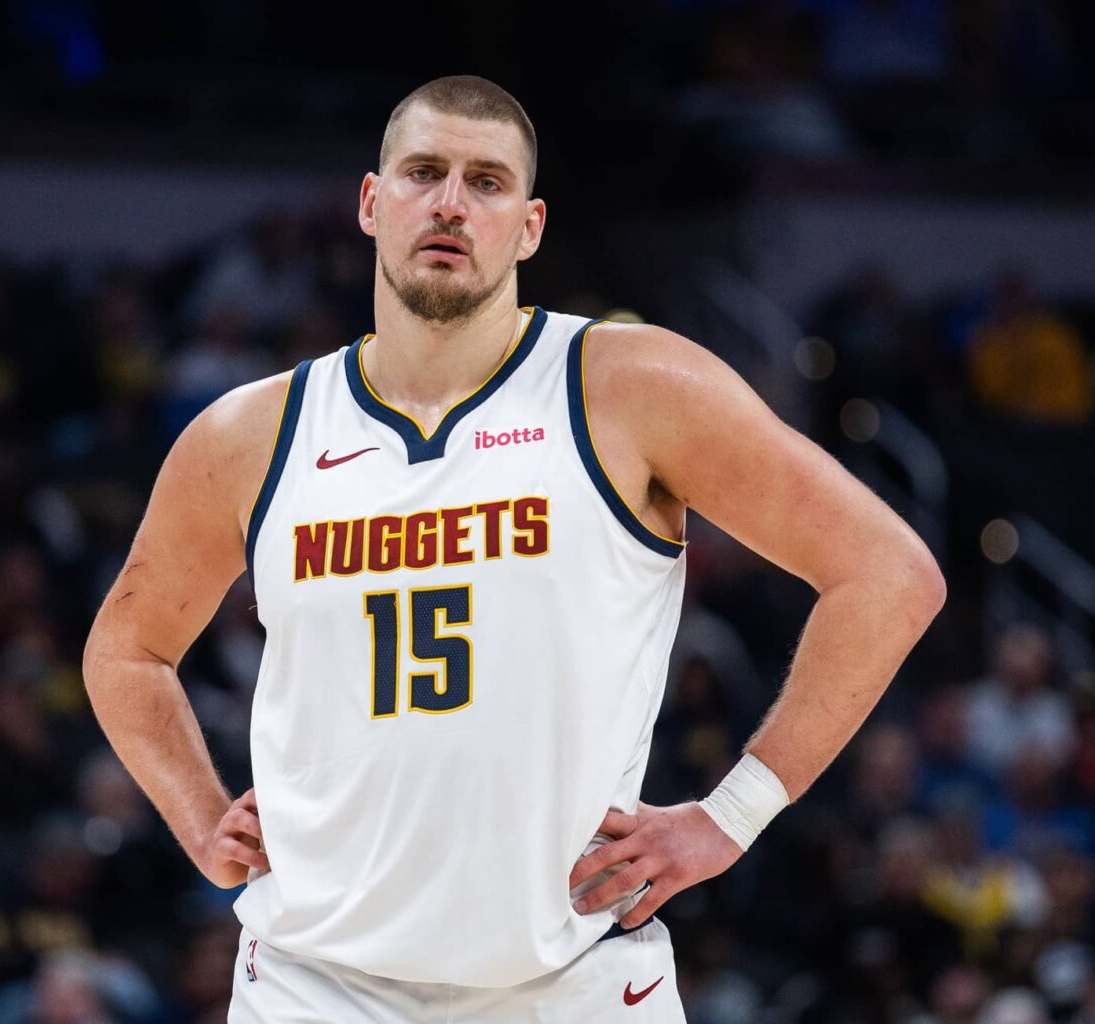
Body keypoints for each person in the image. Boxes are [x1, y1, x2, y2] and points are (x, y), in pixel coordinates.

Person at [82, 75, 946, 1022]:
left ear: (530, 227)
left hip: (571, 985)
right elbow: (126, 648)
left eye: (486, 182)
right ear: (371, 205)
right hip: (311, 985)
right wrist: (201, 820)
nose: (451, 202)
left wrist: (730, 816)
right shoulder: (250, 434)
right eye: (423, 172)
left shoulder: (629, 385)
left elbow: (888, 574)